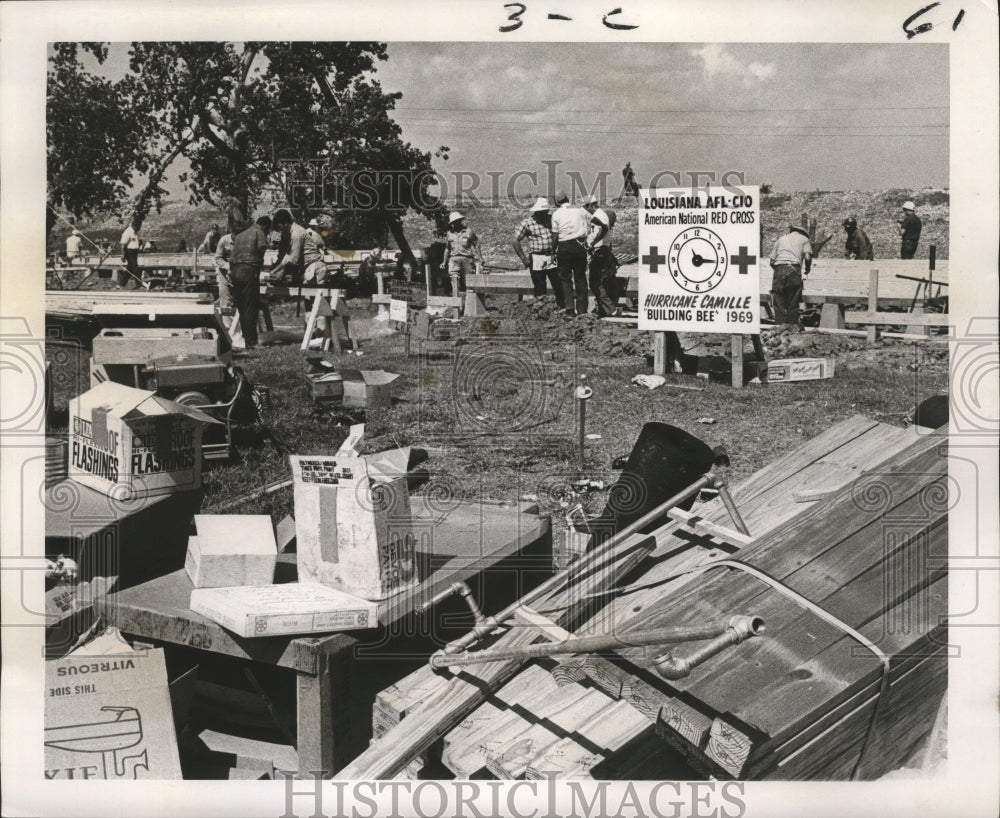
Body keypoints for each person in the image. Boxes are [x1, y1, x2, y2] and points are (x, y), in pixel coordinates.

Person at [229, 215, 272, 349]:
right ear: (265, 226)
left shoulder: (240, 235)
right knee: (250, 307)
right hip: (249, 271)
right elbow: (262, 248)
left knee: (242, 307)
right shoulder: (259, 232)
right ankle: (251, 342)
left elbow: (231, 257)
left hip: (235, 271)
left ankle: (246, 338)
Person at [512, 197, 561, 305]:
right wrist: (524, 258)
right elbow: (515, 240)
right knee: (539, 285)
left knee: (558, 283)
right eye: (543, 211)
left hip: (551, 255)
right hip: (537, 256)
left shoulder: (551, 219)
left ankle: (560, 307)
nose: (546, 213)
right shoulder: (528, 223)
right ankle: (541, 307)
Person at [550, 192, 591, 317]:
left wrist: (552, 251)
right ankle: (582, 309)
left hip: (564, 247)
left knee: (565, 279)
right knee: (580, 277)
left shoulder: (556, 214)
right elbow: (590, 221)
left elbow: (555, 236)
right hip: (579, 245)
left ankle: (569, 309)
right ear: (568, 199)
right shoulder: (579, 209)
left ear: (557, 203)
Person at [583, 195, 620, 317]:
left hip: (599, 251)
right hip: (604, 249)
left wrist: (592, 243)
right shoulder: (602, 214)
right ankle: (605, 308)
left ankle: (610, 309)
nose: (585, 209)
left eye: (585, 207)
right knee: (604, 280)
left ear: (590, 206)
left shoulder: (597, 216)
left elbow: (603, 229)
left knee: (594, 282)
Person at [769, 223, 812, 327]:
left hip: (779, 269)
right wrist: (807, 268)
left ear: (792, 230)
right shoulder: (805, 240)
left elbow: (771, 261)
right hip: (794, 270)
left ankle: (779, 327)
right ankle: (791, 328)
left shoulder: (781, 239)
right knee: (793, 300)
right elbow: (807, 258)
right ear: (803, 233)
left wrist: (780, 271)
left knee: (778, 300)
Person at [441, 211, 483, 295]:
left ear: (460, 221)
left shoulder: (468, 231)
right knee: (454, 278)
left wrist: (480, 257)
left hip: (467, 258)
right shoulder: (449, 234)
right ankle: (456, 300)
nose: (456, 224)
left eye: (457, 221)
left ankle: (469, 301)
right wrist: (444, 262)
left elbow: (476, 243)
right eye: (454, 222)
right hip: (454, 259)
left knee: (469, 280)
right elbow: (447, 248)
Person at [269, 209, 308, 284]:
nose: (279, 229)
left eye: (279, 227)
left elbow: (294, 258)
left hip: (298, 265)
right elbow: (274, 246)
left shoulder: (296, 233)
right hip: (286, 262)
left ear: (286, 223)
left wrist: (281, 270)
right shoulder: (282, 232)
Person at [213, 228, 234, 312]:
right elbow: (218, 258)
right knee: (225, 298)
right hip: (223, 270)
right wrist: (228, 267)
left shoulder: (245, 241)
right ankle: (226, 324)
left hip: (238, 271)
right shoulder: (224, 240)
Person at [303, 218, 329, 285]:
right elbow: (323, 246)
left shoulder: (305, 232)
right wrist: (325, 251)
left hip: (305, 258)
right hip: (314, 257)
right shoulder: (315, 235)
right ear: (315, 226)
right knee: (322, 267)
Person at [119, 217, 142, 285]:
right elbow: (123, 244)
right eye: (138, 227)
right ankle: (138, 284)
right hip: (129, 252)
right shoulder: (127, 232)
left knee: (130, 269)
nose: (139, 229)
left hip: (134, 252)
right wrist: (123, 254)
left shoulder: (134, 232)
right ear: (134, 225)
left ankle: (122, 283)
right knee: (135, 268)